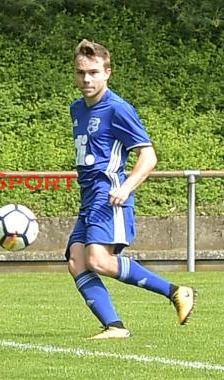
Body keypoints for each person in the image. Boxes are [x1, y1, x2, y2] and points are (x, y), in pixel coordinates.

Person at [66, 40, 196, 339]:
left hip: (108, 193)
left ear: (107, 73)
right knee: (76, 261)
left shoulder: (118, 109)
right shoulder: (77, 108)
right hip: (88, 197)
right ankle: (114, 326)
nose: (87, 79)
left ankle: (177, 291)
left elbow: (148, 156)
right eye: (81, 73)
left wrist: (125, 188)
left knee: (99, 260)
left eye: (94, 72)